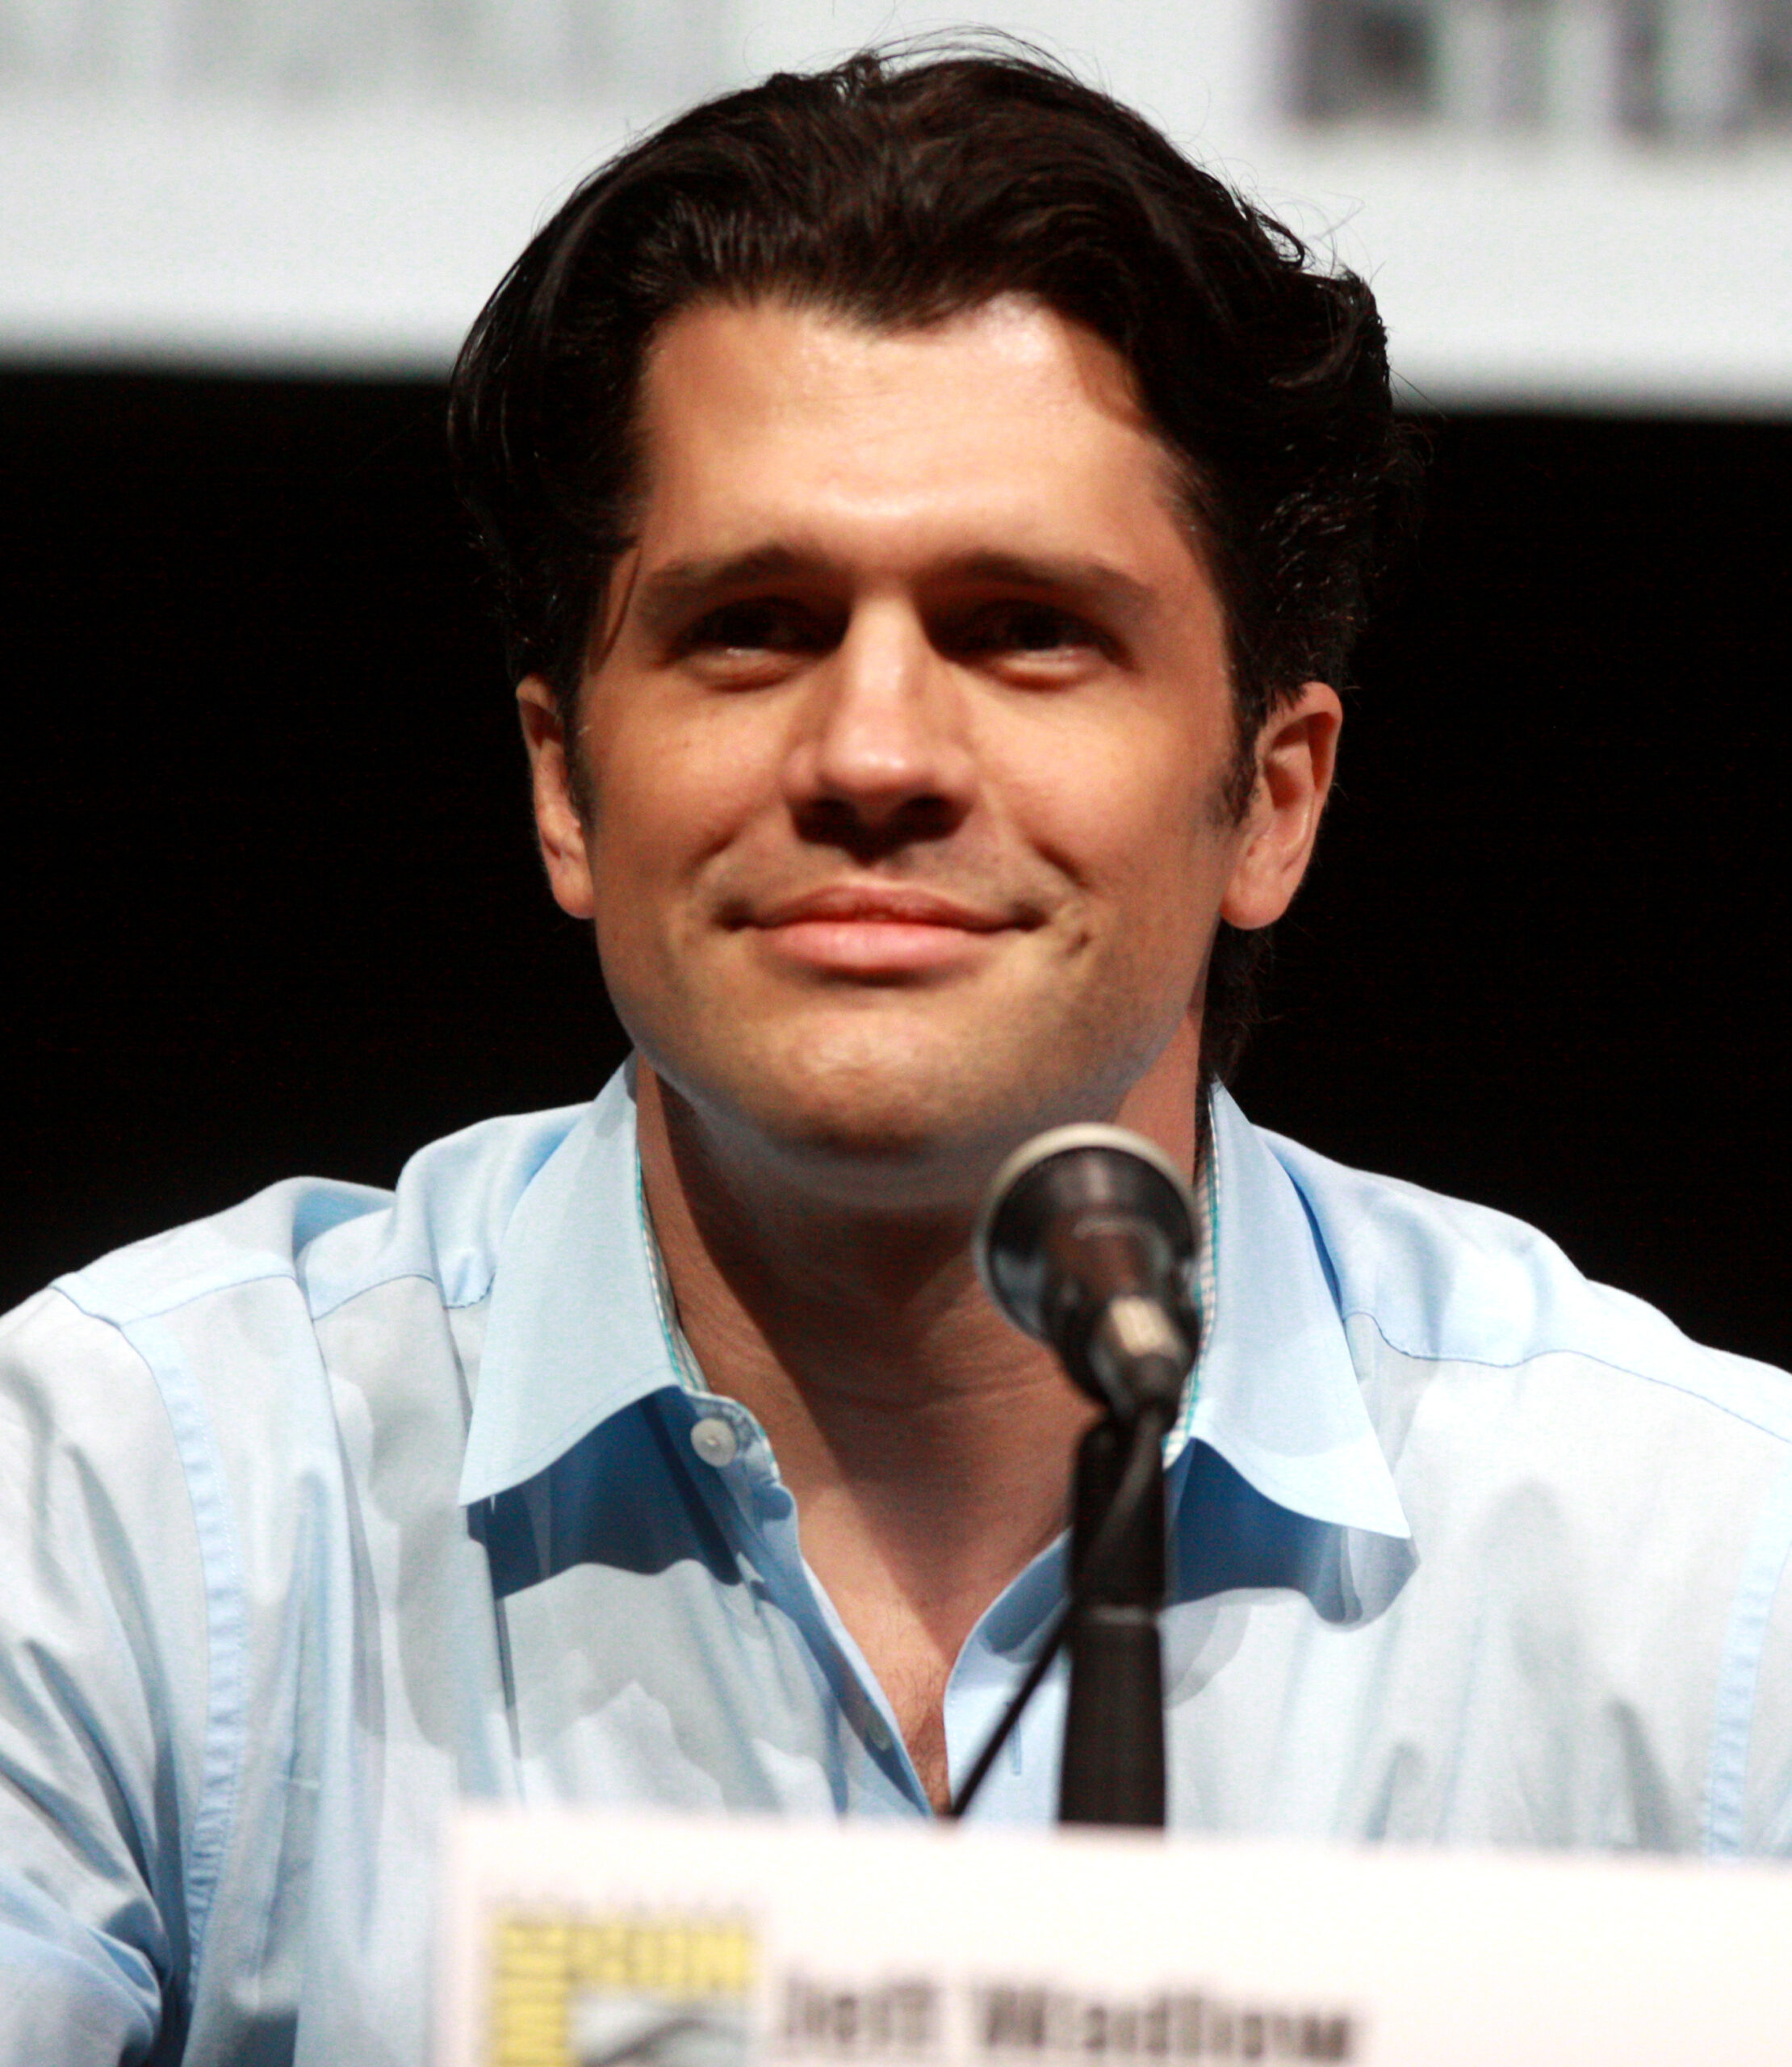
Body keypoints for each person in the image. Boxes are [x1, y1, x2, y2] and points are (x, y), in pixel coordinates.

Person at [5, 40, 1791, 2067]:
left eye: (1025, 627)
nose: (872, 754)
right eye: (753, 623)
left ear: (1273, 796)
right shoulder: (134, 1502)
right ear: (565, 785)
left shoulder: (1709, 1586)